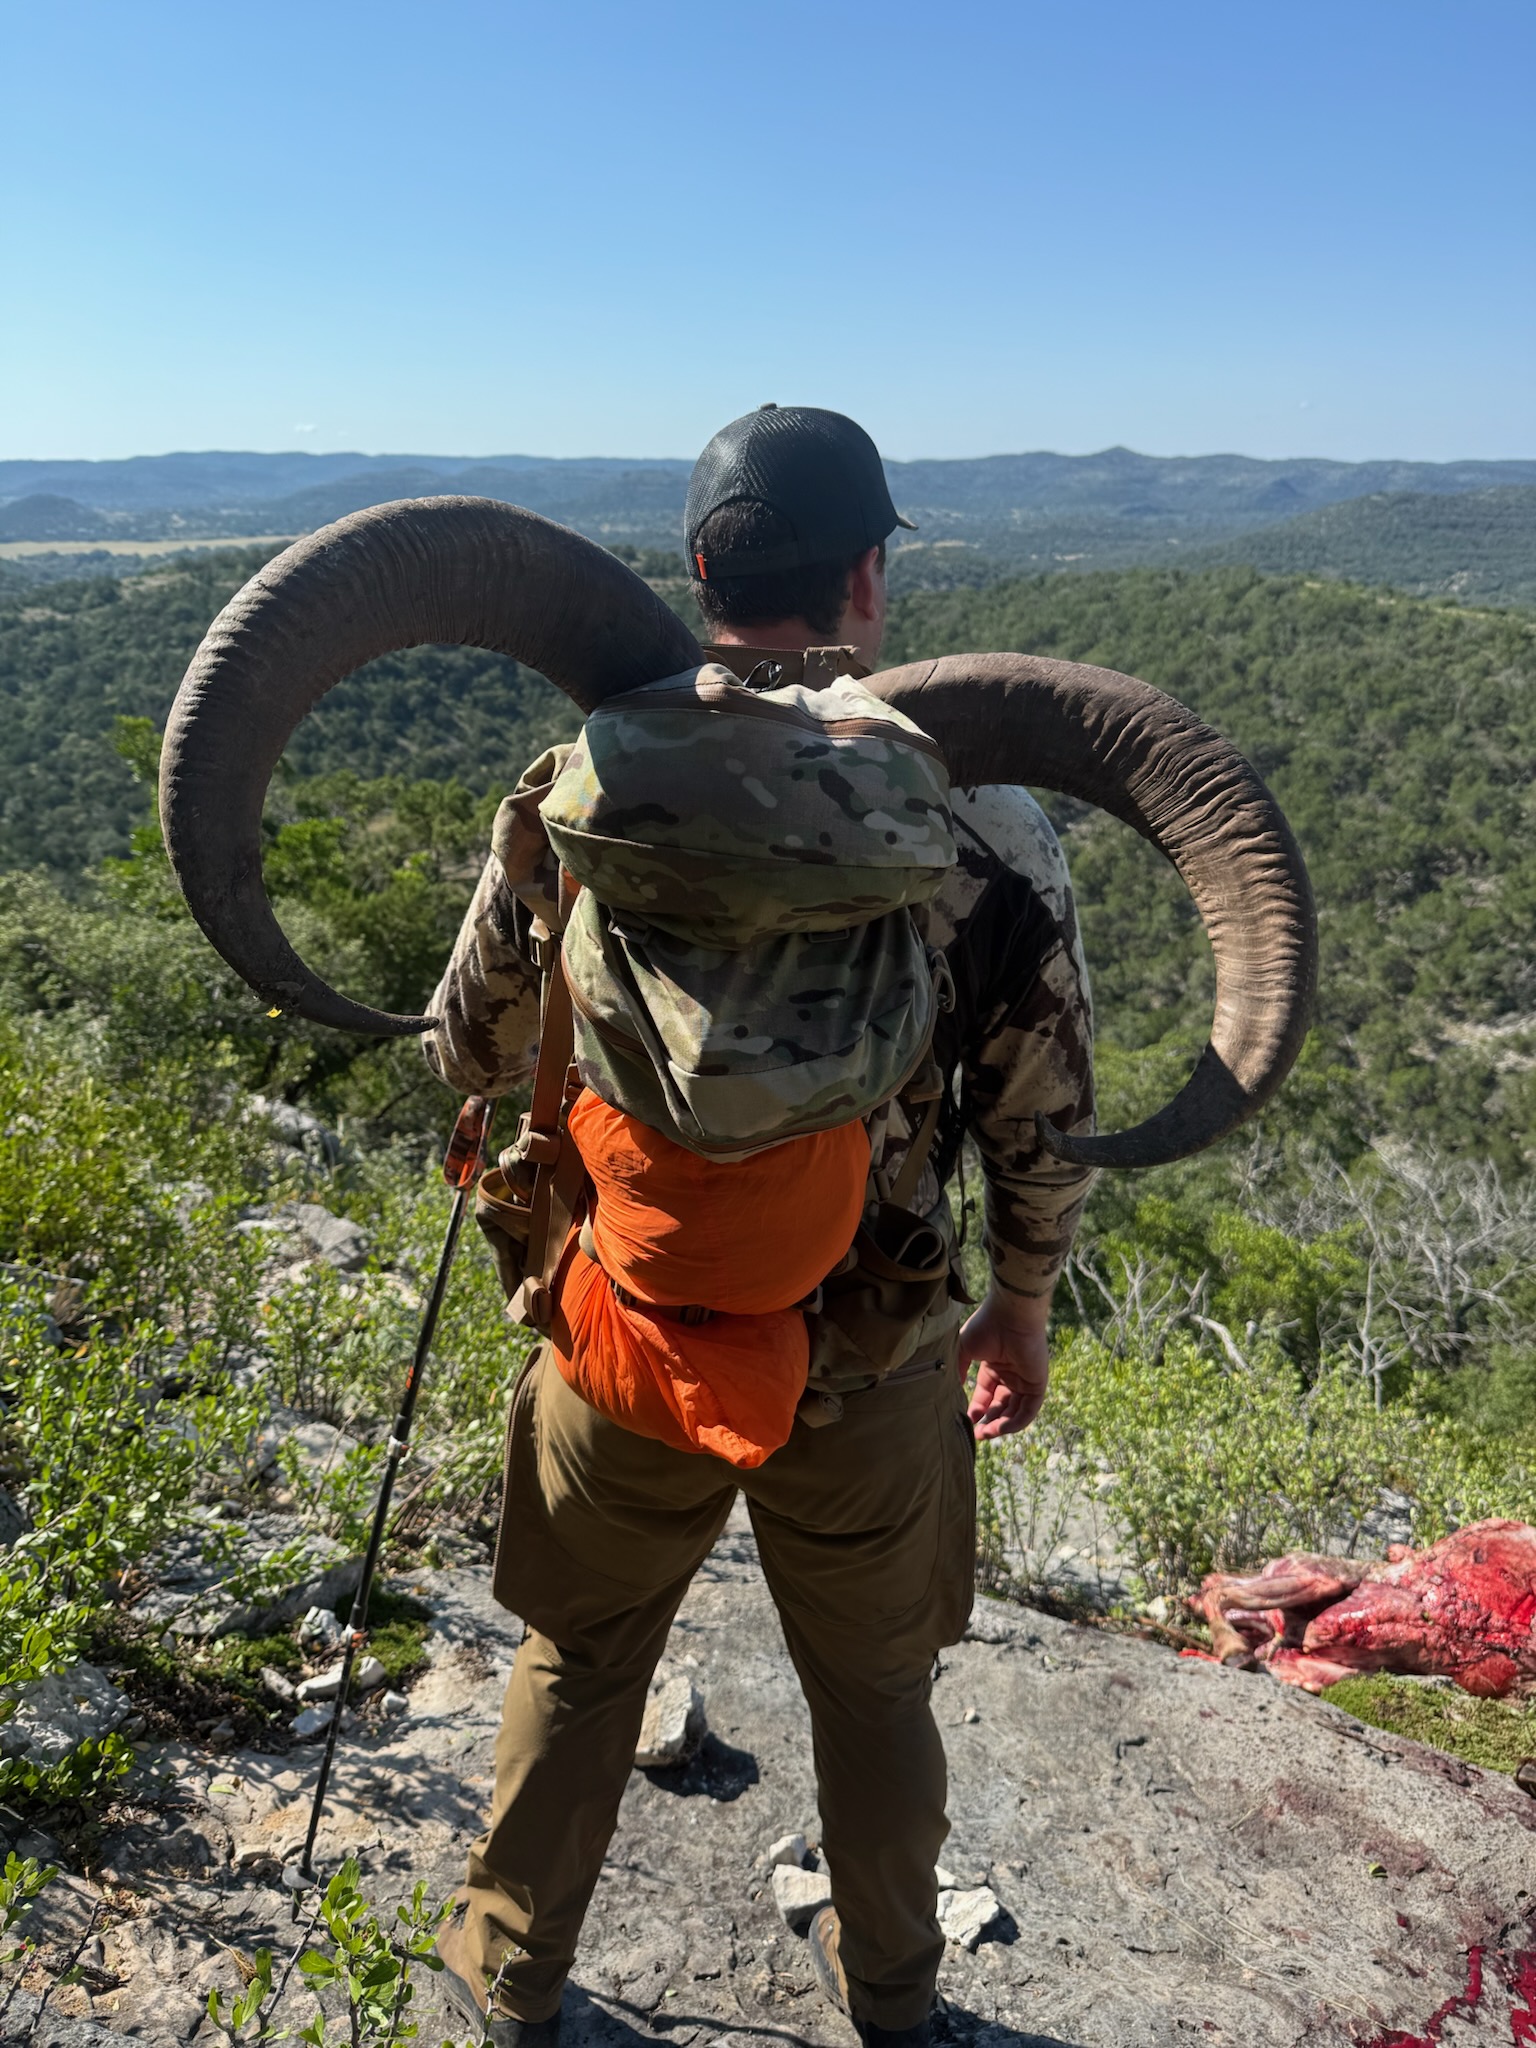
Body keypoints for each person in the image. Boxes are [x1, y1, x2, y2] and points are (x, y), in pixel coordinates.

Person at [427, 405, 1096, 2047]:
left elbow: (467, 1040)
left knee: (585, 1660)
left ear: (704, 569)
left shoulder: (574, 789)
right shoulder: (981, 823)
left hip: (628, 1313)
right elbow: (1041, 1116)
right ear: (866, 577)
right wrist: (1020, 1302)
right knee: (875, 1693)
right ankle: (895, 2001)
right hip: (869, 1354)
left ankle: (507, 1982)